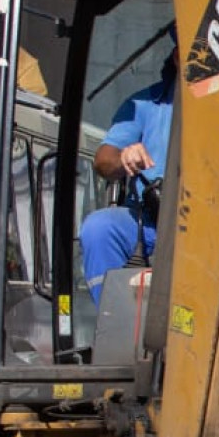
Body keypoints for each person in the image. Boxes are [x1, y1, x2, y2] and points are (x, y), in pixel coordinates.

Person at [81, 51, 176, 301]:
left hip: (217, 223)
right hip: (152, 222)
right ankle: (111, 314)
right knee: (100, 228)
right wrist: (124, 156)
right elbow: (103, 160)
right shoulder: (144, 105)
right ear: (177, 57)